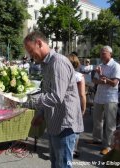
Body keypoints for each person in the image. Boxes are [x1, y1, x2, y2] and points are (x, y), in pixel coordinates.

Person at [23, 31, 83, 168]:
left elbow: (55, 97)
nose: (30, 55)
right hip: (55, 123)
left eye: (30, 50)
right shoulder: (46, 64)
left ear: (39, 43)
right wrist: (41, 114)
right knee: (56, 163)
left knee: (62, 165)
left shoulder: (58, 62)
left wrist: (26, 100)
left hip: (64, 124)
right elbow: (47, 92)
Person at [87, 46, 120, 155]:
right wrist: (102, 80)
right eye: (101, 53)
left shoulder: (116, 66)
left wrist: (102, 77)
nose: (101, 55)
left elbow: (114, 83)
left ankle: (109, 146)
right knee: (97, 120)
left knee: (110, 123)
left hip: (110, 98)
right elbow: (94, 80)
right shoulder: (100, 65)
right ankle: (97, 139)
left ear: (110, 54)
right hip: (99, 97)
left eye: (104, 53)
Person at [68, 53, 86, 158]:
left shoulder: (62, 75)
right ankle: (73, 149)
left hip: (64, 104)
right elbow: (82, 94)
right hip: (75, 105)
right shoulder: (79, 76)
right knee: (76, 127)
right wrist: (83, 108)